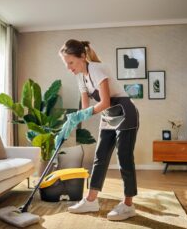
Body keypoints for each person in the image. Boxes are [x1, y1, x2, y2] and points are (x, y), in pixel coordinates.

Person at [56, 39, 139, 221]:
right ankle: (91, 200)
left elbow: (105, 101)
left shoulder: (96, 69)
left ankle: (128, 205)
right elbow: (85, 110)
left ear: (83, 57)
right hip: (108, 115)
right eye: (66, 64)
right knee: (100, 157)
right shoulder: (80, 77)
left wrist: (81, 114)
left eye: (71, 62)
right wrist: (69, 124)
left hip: (124, 112)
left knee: (124, 157)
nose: (69, 68)